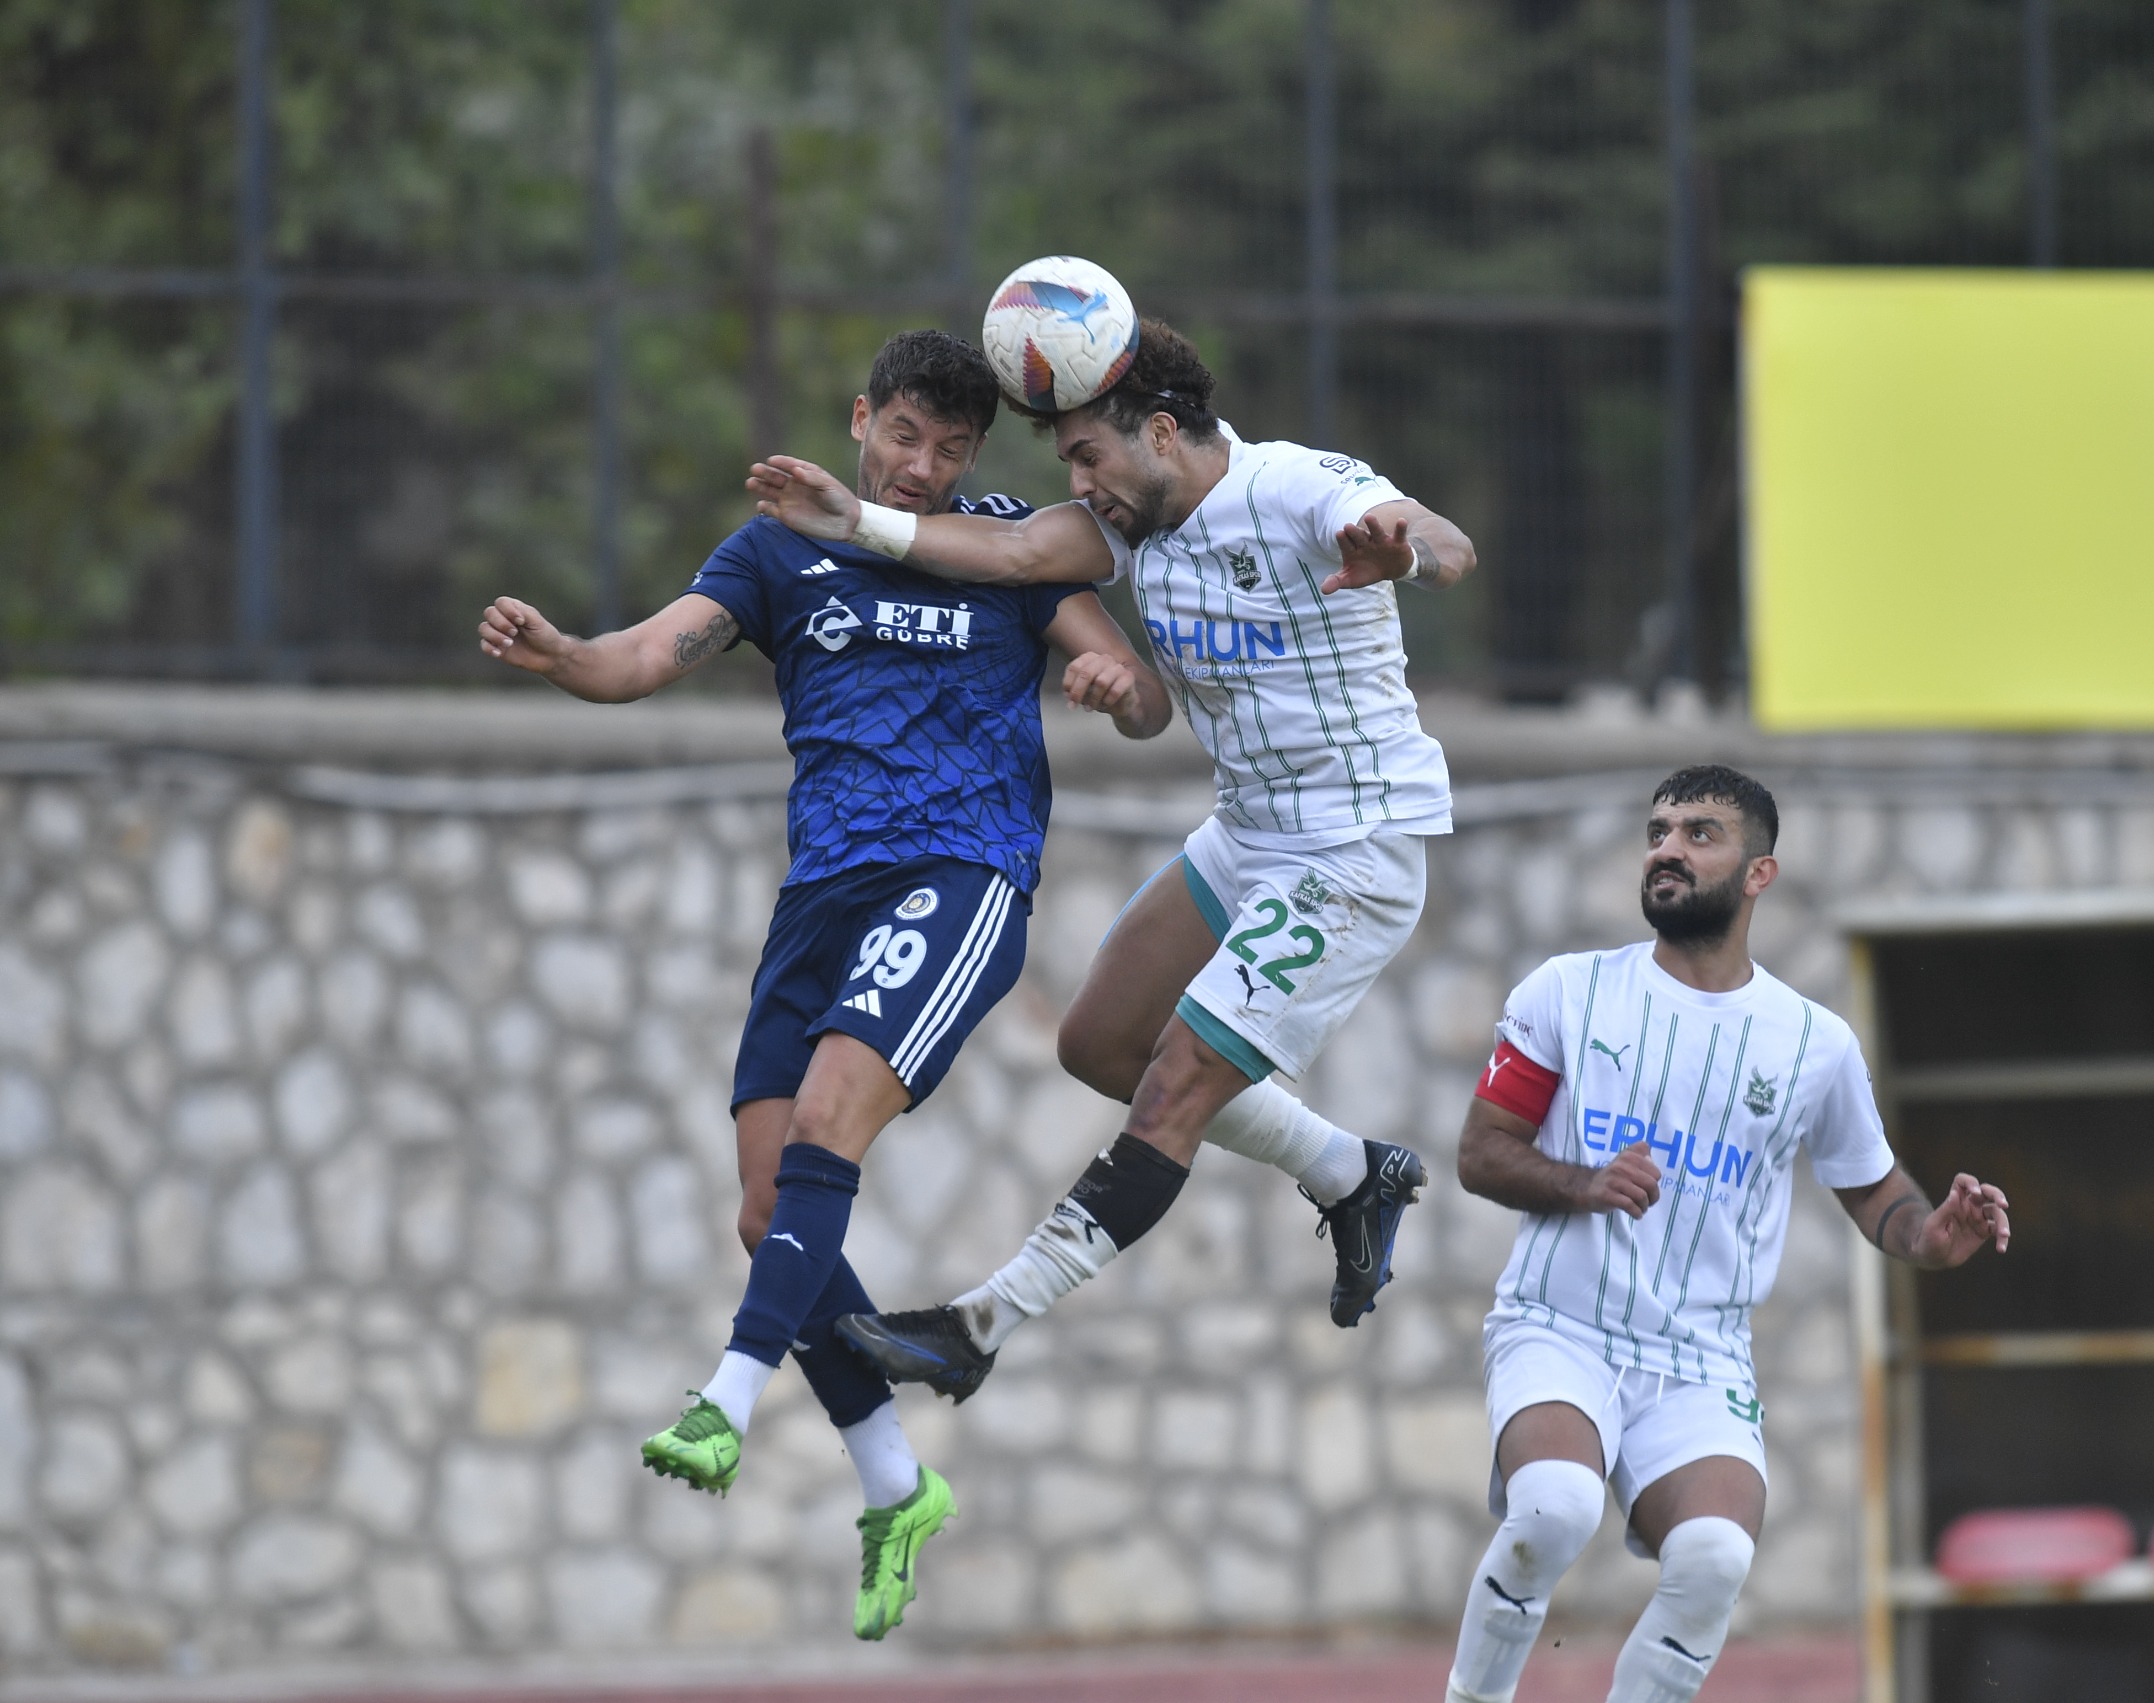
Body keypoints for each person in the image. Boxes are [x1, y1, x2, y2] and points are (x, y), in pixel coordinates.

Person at [475, 329, 1170, 1640]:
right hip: (820, 903)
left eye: (952, 450)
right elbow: (636, 660)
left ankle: (725, 1396)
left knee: (821, 1132)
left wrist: (1112, 679)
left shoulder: (1012, 544)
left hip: (958, 876)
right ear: (861, 420)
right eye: (904, 438)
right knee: (764, 1205)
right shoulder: (778, 553)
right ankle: (896, 1482)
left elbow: (1138, 698)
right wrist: (561, 650)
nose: (922, 470)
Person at [743, 316, 1477, 1399]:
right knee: (1097, 1041)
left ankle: (979, 1322)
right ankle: (1347, 1170)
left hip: (1352, 847)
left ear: (1164, 432)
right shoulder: (1133, 524)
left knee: (1174, 1085)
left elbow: (1447, 542)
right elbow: (1006, 551)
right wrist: (855, 521)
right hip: (1251, 834)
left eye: (1088, 456)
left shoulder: (1293, 487)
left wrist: (1404, 549)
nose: (1080, 484)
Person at [1444, 765, 2011, 1703]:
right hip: (1560, 1327)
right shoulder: (1568, 991)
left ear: (1760, 874)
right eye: (1659, 830)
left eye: (1700, 833)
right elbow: (1480, 1152)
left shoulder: (1812, 1042)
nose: (1668, 847)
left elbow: (1878, 1196)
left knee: (1712, 1556)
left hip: (1702, 1360)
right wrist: (1585, 1182)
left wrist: (1933, 1238)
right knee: (1556, 1505)